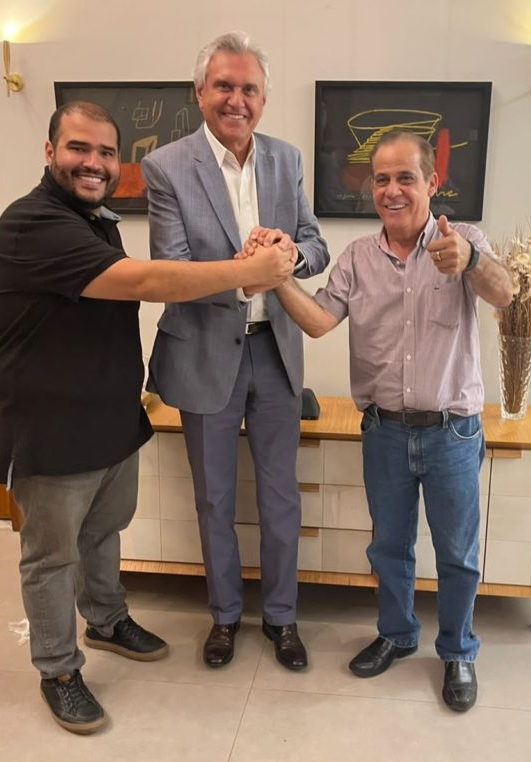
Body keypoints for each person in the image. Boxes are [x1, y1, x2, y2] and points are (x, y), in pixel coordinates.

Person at [0, 101, 294, 734]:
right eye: (78, 148)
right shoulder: (34, 224)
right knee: (51, 555)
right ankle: (58, 670)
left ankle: (106, 619)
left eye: (105, 152)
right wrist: (248, 271)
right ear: (50, 152)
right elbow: (147, 282)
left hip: (109, 415)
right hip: (49, 424)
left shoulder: (97, 221)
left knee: (104, 531)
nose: (93, 163)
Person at [266, 129, 513, 712]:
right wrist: (277, 278)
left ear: (432, 182)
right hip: (384, 430)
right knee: (389, 547)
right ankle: (398, 635)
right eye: (382, 179)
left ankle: (458, 651)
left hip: (452, 431)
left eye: (406, 177)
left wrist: (472, 260)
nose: (393, 190)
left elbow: (506, 294)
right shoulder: (356, 258)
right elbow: (319, 322)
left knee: (457, 553)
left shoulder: (461, 241)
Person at [141, 32, 330, 671]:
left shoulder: (286, 159)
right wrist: (248, 274)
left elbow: (316, 245)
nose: (236, 100)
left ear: (264, 98)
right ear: (200, 93)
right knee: (215, 499)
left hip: (275, 352)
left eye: (249, 88)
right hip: (203, 354)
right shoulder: (167, 167)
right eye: (224, 86)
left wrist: (290, 254)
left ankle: (281, 618)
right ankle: (224, 616)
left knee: (281, 498)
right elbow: (171, 269)